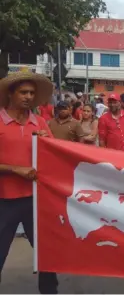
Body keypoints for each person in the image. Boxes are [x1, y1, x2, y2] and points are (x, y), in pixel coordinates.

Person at [0, 72, 59, 294]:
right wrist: (15, 169)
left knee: (45, 254)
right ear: (10, 94)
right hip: (5, 201)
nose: (28, 97)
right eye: (23, 92)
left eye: (32, 93)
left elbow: (56, 159)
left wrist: (47, 145)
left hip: (36, 200)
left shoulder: (41, 122)